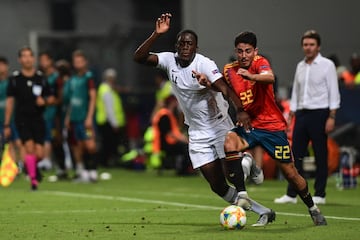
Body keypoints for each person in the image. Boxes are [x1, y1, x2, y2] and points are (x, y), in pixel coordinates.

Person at [134, 13, 268, 226]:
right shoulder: (169, 60)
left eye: (190, 44)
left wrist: (240, 110)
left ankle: (247, 162)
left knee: (231, 172)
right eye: (182, 43)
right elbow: (139, 57)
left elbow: (225, 88)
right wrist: (156, 34)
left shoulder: (204, 63)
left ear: (196, 47)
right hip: (196, 131)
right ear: (177, 45)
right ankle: (263, 211)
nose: (186, 47)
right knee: (217, 185)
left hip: (218, 125)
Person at [274, 30, 340, 206]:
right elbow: (295, 91)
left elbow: (334, 91)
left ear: (318, 47)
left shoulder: (327, 65)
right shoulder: (300, 66)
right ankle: (291, 194)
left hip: (320, 113)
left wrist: (332, 116)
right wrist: (291, 115)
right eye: (305, 45)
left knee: (320, 154)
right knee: (295, 155)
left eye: (311, 45)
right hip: (301, 115)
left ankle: (320, 193)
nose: (308, 48)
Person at [4, 47, 55, 190]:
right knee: (29, 147)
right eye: (24, 56)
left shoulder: (41, 77)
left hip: (38, 119)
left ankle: (30, 167)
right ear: (20, 60)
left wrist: (44, 101)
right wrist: (7, 123)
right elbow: (10, 101)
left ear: (33, 58)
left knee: (40, 153)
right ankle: (33, 181)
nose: (27, 59)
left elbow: (52, 97)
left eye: (29, 56)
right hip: (22, 119)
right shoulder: (15, 79)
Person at [65, 50, 97, 182]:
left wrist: (89, 117)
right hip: (74, 118)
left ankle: (93, 170)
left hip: (84, 118)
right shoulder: (72, 80)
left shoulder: (88, 77)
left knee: (90, 145)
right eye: (75, 61)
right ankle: (81, 171)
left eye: (80, 61)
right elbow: (70, 101)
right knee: (77, 145)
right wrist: (67, 117)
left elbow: (93, 97)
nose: (78, 63)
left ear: (85, 62)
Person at [152, 95, 192, 175]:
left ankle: (185, 169)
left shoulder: (166, 114)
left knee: (185, 146)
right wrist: (184, 140)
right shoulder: (165, 115)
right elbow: (170, 133)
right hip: (167, 143)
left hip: (166, 142)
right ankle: (184, 170)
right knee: (186, 147)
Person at [96, 68, 127, 167]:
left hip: (106, 121)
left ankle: (105, 162)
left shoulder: (107, 89)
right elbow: (109, 108)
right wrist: (114, 123)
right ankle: (105, 163)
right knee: (108, 144)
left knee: (107, 144)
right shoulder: (106, 90)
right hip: (107, 121)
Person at [38, 51, 60, 170]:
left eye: (44, 60)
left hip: (55, 114)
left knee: (55, 138)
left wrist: (46, 101)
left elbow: (58, 97)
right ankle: (47, 160)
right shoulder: (41, 77)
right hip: (44, 113)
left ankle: (57, 162)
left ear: (50, 61)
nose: (42, 63)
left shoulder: (56, 77)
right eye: (41, 60)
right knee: (46, 137)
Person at [0, 56, 22, 167]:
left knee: (18, 142)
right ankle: (12, 166)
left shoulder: (12, 82)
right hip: (1, 119)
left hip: (13, 119)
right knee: (7, 144)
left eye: (2, 65)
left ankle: (24, 165)